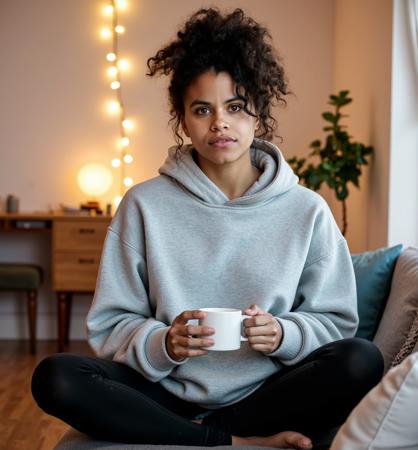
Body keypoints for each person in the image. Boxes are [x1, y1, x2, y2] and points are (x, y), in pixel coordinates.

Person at [32, 8, 383, 449]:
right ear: (183, 120)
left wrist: (283, 334)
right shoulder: (143, 204)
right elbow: (110, 323)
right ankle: (231, 442)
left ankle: (208, 434)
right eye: (203, 109)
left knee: (361, 360)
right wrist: (166, 343)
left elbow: (335, 321)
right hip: (164, 393)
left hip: (264, 395)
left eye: (235, 107)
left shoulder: (307, 210)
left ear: (258, 114)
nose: (220, 122)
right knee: (56, 377)